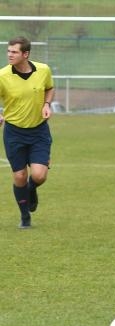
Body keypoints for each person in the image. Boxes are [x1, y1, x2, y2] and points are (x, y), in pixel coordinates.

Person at [0, 36, 54, 228]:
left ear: (26, 54)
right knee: (20, 175)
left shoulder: (43, 70)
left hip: (39, 131)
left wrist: (47, 104)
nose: (9, 55)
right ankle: (25, 217)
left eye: (14, 52)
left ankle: (31, 190)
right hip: (14, 132)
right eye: (8, 51)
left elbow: (49, 88)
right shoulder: (2, 75)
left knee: (39, 176)